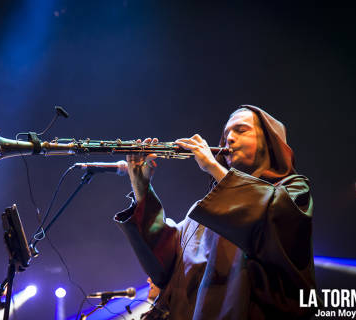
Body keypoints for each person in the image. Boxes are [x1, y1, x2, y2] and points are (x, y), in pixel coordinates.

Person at [114, 105, 317, 319]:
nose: (229, 138)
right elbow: (164, 267)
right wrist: (141, 186)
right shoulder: (205, 209)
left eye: (241, 130)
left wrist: (212, 167)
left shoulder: (293, 190)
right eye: (226, 133)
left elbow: (267, 219)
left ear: (269, 143)